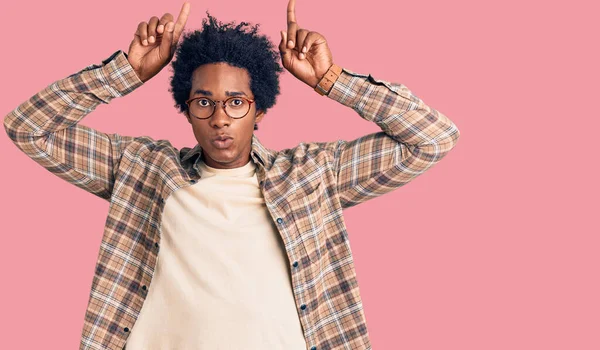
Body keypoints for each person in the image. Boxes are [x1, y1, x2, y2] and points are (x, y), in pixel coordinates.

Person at [3, 0, 460, 349]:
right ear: (187, 109)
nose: (220, 118)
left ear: (258, 107)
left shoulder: (312, 174)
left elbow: (433, 138)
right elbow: (28, 128)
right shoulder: (142, 169)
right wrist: (126, 73)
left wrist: (331, 80)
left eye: (235, 102)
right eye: (204, 102)